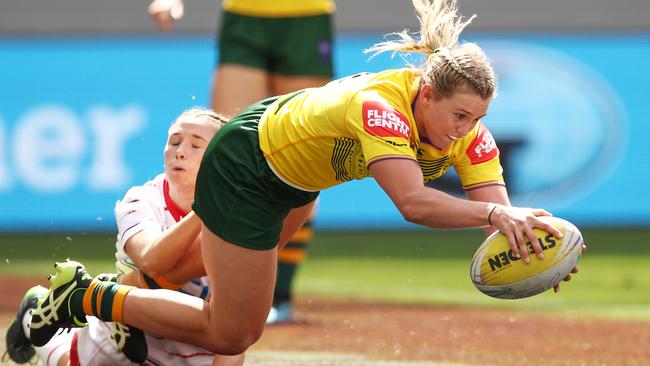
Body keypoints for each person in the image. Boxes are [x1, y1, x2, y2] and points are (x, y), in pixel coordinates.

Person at [28, 0, 581, 357]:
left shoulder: (466, 133)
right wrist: (497, 215)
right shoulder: (380, 106)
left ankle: (97, 299)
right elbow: (413, 203)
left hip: (294, 182)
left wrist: (531, 247)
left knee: (171, 272)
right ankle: (87, 298)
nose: (467, 131)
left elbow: (498, 217)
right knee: (233, 330)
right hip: (246, 163)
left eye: (479, 119)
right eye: (459, 116)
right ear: (426, 94)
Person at [4, 108, 243, 365]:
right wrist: (205, 212)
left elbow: (236, 328)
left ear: (221, 159)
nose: (180, 151)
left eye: (196, 145)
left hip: (196, 345)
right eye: (174, 141)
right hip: (132, 329)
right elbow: (152, 258)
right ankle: (34, 311)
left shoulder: (240, 215)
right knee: (68, 362)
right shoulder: (141, 200)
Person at [147, 0, 335, 323]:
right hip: (244, 14)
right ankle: (203, 284)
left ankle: (280, 296)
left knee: (307, 162)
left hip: (307, 15)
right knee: (224, 148)